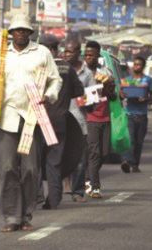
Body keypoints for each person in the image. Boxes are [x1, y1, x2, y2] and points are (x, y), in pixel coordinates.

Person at [0, 14, 62, 232]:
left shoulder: (41, 52)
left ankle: (26, 215)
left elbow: (55, 79)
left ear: (30, 33)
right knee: (7, 168)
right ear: (11, 33)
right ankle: (11, 216)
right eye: (17, 30)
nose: (21, 33)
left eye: (25, 30)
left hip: (31, 117)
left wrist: (49, 96)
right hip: (7, 117)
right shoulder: (1, 54)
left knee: (31, 170)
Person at [38, 35, 84, 210]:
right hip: (59, 121)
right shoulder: (67, 68)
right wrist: (62, 100)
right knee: (54, 161)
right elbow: (78, 91)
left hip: (37, 121)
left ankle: (36, 197)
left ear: (49, 50)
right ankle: (54, 200)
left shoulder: (35, 66)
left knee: (35, 160)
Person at [63, 40, 96, 203]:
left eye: (70, 52)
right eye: (65, 52)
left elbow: (92, 102)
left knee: (80, 160)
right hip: (60, 120)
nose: (67, 55)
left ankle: (78, 191)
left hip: (79, 122)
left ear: (78, 53)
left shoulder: (87, 74)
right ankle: (59, 189)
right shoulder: (58, 69)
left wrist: (85, 98)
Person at [83, 41, 116, 199]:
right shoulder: (82, 73)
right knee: (94, 153)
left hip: (105, 117)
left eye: (92, 55)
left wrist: (108, 86)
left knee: (104, 153)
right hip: (90, 118)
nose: (89, 58)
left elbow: (114, 96)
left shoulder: (105, 72)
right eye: (86, 55)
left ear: (98, 56)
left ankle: (88, 178)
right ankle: (95, 187)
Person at [120, 56, 152, 174]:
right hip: (130, 113)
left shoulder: (148, 80)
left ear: (143, 66)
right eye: (135, 64)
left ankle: (135, 165)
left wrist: (145, 98)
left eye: (139, 64)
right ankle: (126, 161)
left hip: (142, 115)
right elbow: (121, 93)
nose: (136, 66)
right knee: (130, 140)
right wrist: (122, 94)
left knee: (139, 142)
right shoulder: (127, 80)